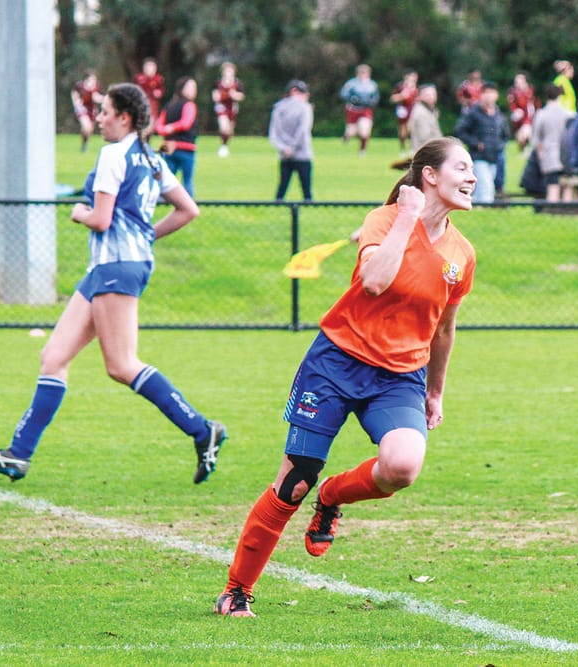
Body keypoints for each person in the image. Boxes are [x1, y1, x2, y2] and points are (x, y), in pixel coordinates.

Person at [213, 137, 477, 618]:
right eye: (461, 167)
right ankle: (236, 591)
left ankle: (333, 496)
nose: (472, 177)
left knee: (402, 467)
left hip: (401, 377)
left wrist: (436, 391)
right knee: (294, 484)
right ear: (430, 176)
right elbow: (376, 278)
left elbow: (445, 328)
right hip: (336, 363)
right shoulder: (384, 220)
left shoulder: (463, 253)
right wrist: (405, 217)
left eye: (473, 169)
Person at [0, 83, 225, 483]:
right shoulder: (152, 158)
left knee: (122, 365)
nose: (99, 118)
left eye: (105, 111)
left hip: (116, 266)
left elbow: (101, 219)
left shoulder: (113, 154)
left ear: (124, 117)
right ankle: (18, 455)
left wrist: (79, 214)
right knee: (53, 357)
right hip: (112, 266)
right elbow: (188, 209)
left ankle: (202, 429)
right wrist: (146, 237)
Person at [454, 81, 509, 203]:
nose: (489, 96)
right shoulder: (473, 112)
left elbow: (505, 135)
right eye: (486, 92)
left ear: (497, 95)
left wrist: (500, 146)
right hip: (479, 156)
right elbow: (460, 130)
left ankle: (478, 209)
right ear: (481, 95)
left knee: (482, 188)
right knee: (485, 187)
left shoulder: (499, 114)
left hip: (495, 157)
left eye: (492, 92)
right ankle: (486, 210)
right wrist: (475, 144)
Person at [269, 79, 314, 201]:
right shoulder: (305, 108)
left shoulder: (278, 107)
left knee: (281, 190)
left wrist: (284, 148)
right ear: (294, 91)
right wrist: (293, 147)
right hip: (303, 153)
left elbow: (273, 134)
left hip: (284, 155)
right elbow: (303, 130)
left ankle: (277, 205)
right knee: (307, 193)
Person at [155, 76, 199, 199]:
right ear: (182, 89)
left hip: (167, 146)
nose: (194, 90)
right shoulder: (189, 105)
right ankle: (188, 204)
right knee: (187, 180)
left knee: (165, 180)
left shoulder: (169, 105)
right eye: (190, 87)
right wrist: (172, 128)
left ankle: (159, 201)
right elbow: (186, 123)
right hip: (186, 146)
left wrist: (166, 129)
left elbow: (159, 125)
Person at [531, 84, 573, 202]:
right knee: (567, 189)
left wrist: (541, 159)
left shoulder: (541, 114)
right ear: (559, 96)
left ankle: (552, 214)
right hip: (567, 157)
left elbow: (537, 140)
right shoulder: (569, 114)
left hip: (549, 157)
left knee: (552, 189)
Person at [339, 64, 379, 155]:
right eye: (361, 73)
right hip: (353, 109)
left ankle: (362, 150)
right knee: (351, 131)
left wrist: (372, 102)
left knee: (364, 130)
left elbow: (376, 97)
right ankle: (346, 136)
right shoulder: (351, 83)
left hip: (365, 110)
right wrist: (351, 98)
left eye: (365, 73)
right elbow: (343, 94)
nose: (363, 75)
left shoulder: (372, 85)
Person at [212, 62, 244, 157]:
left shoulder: (237, 83)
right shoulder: (219, 83)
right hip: (222, 107)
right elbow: (215, 96)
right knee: (224, 127)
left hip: (232, 108)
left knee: (230, 130)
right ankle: (223, 148)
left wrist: (234, 95)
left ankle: (224, 146)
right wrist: (223, 95)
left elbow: (241, 96)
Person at [72, 69, 104, 152]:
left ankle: (84, 143)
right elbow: (74, 94)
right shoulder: (80, 86)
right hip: (82, 108)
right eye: (92, 79)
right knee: (87, 127)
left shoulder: (95, 88)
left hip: (91, 109)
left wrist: (104, 99)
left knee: (89, 130)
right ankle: (84, 143)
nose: (94, 82)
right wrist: (76, 103)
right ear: (87, 80)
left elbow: (95, 97)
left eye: (95, 80)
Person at [407, 84, 443, 154]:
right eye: (428, 94)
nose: (432, 97)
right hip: (426, 154)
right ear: (419, 97)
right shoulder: (421, 113)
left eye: (433, 94)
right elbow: (426, 138)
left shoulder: (429, 110)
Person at [389, 69, 419, 154]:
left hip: (413, 109)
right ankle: (402, 148)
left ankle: (412, 147)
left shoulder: (416, 87)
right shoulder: (400, 86)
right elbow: (392, 98)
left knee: (411, 128)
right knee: (403, 129)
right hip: (402, 109)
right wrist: (402, 96)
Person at [507, 72, 536, 150]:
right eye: (516, 82)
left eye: (519, 82)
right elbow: (512, 106)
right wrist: (515, 112)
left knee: (525, 134)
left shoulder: (530, 92)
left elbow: (532, 107)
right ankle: (523, 150)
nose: (517, 84)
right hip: (518, 120)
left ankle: (529, 149)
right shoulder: (512, 93)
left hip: (527, 119)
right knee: (519, 138)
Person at [133, 57, 165, 126]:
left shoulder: (158, 79)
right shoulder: (139, 78)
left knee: (152, 116)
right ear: (144, 68)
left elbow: (161, 90)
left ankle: (152, 129)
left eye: (152, 67)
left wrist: (159, 93)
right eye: (148, 67)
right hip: (140, 102)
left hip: (152, 103)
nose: (150, 69)